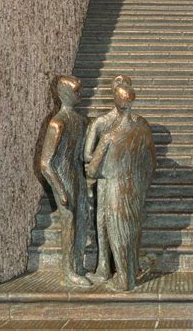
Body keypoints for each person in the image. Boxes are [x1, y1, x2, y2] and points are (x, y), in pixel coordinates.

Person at [85, 80, 156, 291]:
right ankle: (119, 269)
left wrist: (103, 167)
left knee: (118, 230)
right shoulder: (141, 127)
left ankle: (124, 278)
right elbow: (151, 161)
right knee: (124, 228)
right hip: (130, 185)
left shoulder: (110, 135)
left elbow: (92, 168)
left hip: (116, 185)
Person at [40, 76, 91, 287]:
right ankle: (68, 271)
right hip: (63, 177)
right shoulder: (57, 123)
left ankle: (78, 264)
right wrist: (59, 188)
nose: (80, 95)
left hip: (77, 175)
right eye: (77, 91)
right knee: (69, 223)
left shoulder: (80, 121)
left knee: (82, 219)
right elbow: (45, 163)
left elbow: (82, 155)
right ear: (65, 94)